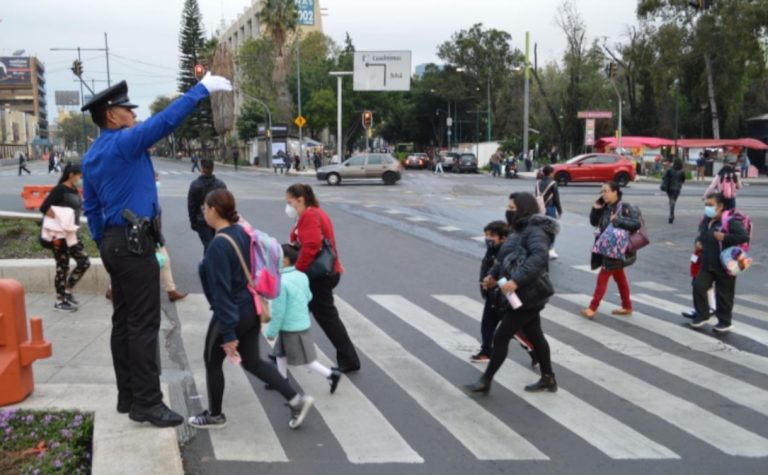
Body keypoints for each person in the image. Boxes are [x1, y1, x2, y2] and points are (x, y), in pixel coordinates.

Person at [81, 73, 232, 427]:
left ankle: (129, 396)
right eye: (127, 110)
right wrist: (201, 90)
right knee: (145, 325)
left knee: (124, 322)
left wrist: (105, 240)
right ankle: (147, 404)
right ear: (112, 115)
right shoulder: (123, 143)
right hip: (134, 244)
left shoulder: (92, 155)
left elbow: (91, 208)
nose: (133, 115)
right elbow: (164, 122)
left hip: (116, 244)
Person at [189, 190, 315, 429]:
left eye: (205, 208)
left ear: (214, 210)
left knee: (211, 361)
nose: (204, 212)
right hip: (251, 307)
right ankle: (297, 400)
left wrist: (228, 334)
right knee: (253, 362)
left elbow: (222, 292)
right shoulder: (242, 232)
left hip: (232, 312)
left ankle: (215, 415)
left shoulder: (218, 245)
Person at [465, 192, 559, 394]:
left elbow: (539, 257)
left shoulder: (535, 231)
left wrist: (516, 280)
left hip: (530, 293)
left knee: (501, 336)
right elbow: (502, 259)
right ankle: (548, 378)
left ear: (523, 209)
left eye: (512, 208)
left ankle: (486, 380)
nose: (508, 211)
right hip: (519, 295)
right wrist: (491, 276)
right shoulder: (517, 230)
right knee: (536, 335)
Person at [286, 184, 361, 373]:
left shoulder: (309, 216)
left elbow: (311, 246)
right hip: (323, 273)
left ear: (300, 200)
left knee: (326, 318)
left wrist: (297, 270)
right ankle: (283, 353)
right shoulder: (315, 212)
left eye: (289, 202)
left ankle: (350, 359)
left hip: (319, 277)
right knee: (295, 313)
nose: (288, 206)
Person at [265, 244, 343, 393]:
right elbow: (309, 296)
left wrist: (271, 332)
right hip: (299, 323)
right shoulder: (301, 276)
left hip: (290, 328)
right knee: (280, 354)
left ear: (285, 261)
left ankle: (331, 375)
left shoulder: (281, 282)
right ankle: (282, 381)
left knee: (307, 361)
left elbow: (278, 311)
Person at [470, 220, 538, 365]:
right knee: (487, 324)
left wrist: (495, 281)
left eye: (492, 235)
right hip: (492, 295)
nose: (488, 238)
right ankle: (486, 351)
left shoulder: (509, 253)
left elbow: (511, 274)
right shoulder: (492, 251)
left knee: (515, 330)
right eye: (486, 235)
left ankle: (535, 352)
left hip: (506, 296)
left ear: (504, 238)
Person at [685, 192, 749, 332]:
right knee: (698, 286)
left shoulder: (730, 221)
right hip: (707, 263)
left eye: (710, 205)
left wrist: (725, 237)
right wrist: (698, 243)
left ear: (720, 207)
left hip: (725, 265)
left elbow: (743, 236)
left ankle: (725, 322)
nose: (707, 208)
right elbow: (701, 236)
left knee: (724, 294)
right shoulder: (706, 220)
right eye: (706, 205)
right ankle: (703, 315)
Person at [580, 182, 642, 319]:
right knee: (620, 278)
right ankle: (627, 306)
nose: (603, 194)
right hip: (608, 248)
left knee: (602, 278)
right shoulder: (606, 207)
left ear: (615, 192)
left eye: (606, 191)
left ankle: (592, 307)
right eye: (602, 191)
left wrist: (618, 220)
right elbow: (594, 222)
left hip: (618, 250)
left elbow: (636, 224)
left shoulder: (626, 207)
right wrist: (595, 208)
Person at [40, 162, 91, 312]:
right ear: (71, 175)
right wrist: (59, 222)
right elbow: (44, 207)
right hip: (59, 235)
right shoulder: (60, 189)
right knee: (63, 266)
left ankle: (68, 291)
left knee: (84, 261)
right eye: (79, 175)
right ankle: (59, 300)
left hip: (71, 233)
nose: (81, 178)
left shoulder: (74, 189)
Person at [154, 172, 187, 302]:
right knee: (165, 261)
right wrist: (158, 239)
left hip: (153, 236)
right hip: (150, 237)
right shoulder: (148, 197)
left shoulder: (152, 197)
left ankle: (171, 291)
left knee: (165, 262)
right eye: (156, 179)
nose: (158, 182)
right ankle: (171, 291)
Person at [188, 158, 227, 252]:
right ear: (213, 169)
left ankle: (209, 265)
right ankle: (211, 264)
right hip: (217, 220)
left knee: (209, 246)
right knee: (211, 245)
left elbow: (191, 206)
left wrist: (193, 222)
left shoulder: (195, 185)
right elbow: (225, 204)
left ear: (201, 168)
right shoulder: (221, 185)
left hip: (202, 220)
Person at [536, 165, 563, 259]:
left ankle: (540, 248)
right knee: (551, 230)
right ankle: (550, 249)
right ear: (551, 173)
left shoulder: (538, 183)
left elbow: (537, 196)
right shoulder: (553, 183)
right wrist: (560, 210)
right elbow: (556, 199)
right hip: (550, 209)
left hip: (539, 209)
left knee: (540, 229)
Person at [662, 158, 686, 224]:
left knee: (671, 199)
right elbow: (683, 180)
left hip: (669, 188)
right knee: (673, 200)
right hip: (677, 188)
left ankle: (671, 214)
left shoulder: (670, 170)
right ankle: (671, 214)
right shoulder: (682, 171)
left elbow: (663, 177)